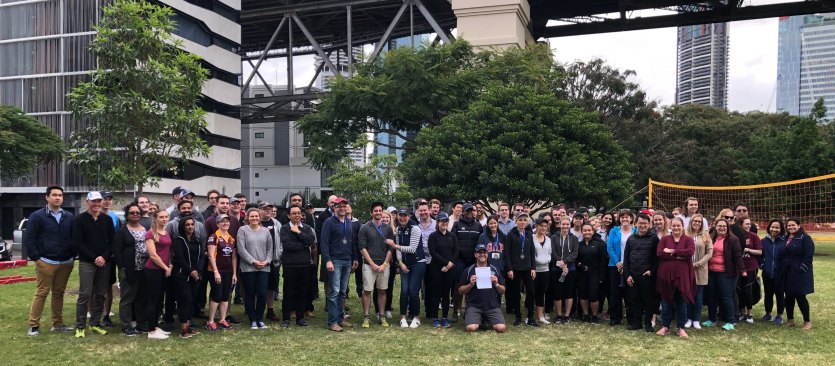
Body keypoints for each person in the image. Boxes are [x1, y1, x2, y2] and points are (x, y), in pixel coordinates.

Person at [25, 185, 76, 337]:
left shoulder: (69, 216)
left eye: (60, 195)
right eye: (54, 195)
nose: (57, 197)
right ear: (47, 197)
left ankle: (58, 324)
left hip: (66, 262)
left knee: (58, 294)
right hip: (45, 261)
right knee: (42, 293)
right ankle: (33, 325)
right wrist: (36, 259)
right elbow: (30, 239)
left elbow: (73, 237)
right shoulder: (37, 216)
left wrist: (73, 255)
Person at [72, 191, 115, 338]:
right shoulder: (80, 220)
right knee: (84, 294)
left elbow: (112, 242)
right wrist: (94, 257)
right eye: (93, 202)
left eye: (99, 202)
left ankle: (95, 324)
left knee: (100, 294)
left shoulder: (107, 220)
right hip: (87, 262)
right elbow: (78, 243)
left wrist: (103, 257)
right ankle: (80, 326)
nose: (96, 204)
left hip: (104, 262)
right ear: (87, 202)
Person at [654, 218, 695, 339]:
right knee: (666, 301)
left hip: (682, 276)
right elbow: (660, 253)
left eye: (678, 226)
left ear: (683, 227)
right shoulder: (665, 239)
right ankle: (665, 326)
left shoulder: (688, 239)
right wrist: (679, 256)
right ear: (671, 227)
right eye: (674, 226)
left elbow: (690, 252)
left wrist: (672, 251)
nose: (676, 228)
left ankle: (681, 327)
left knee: (681, 302)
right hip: (665, 275)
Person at [320, 197, 357, 332]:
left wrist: (354, 258)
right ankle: (332, 322)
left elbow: (352, 241)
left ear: (347, 207)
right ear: (334, 207)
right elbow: (323, 243)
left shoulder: (349, 222)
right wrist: (327, 260)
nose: (342, 208)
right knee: (334, 291)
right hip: (334, 260)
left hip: (347, 260)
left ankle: (341, 318)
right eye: (339, 206)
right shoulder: (328, 222)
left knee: (342, 292)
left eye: (344, 206)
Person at [358, 202, 395, 328]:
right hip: (369, 265)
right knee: (367, 290)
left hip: (384, 265)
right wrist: (372, 264)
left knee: (382, 291)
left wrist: (385, 264)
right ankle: (366, 317)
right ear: (371, 212)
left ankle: (382, 315)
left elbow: (391, 248)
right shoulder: (365, 227)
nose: (378, 212)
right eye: (375, 211)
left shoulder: (388, 228)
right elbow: (362, 248)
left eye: (380, 210)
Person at [704, 218, 746, 331]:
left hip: (726, 273)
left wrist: (742, 270)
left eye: (724, 226)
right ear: (715, 227)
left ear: (727, 228)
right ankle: (712, 320)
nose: (722, 228)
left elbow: (738, 256)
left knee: (726, 297)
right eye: (719, 226)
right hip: (711, 272)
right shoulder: (710, 238)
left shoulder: (733, 239)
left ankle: (730, 321)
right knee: (711, 297)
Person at [279, 204, 316, 328]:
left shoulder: (306, 228)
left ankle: (300, 318)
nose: (297, 215)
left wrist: (298, 232)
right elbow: (287, 245)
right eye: (294, 213)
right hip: (290, 265)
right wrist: (303, 245)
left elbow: (310, 241)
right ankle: (286, 318)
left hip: (305, 265)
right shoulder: (284, 229)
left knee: (302, 292)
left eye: (299, 213)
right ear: (289, 215)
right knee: (288, 292)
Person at [237, 208, 274, 330]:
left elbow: (270, 248)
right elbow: (241, 249)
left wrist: (267, 261)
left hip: (264, 267)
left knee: (262, 293)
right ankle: (252, 319)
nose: (254, 218)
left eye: (256, 216)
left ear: (259, 217)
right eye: (252, 216)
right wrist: (253, 261)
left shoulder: (265, 231)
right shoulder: (242, 230)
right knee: (250, 294)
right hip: (248, 268)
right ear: (247, 217)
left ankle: (260, 318)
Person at [112, 203, 146, 336]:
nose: (135, 214)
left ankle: (140, 322)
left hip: (144, 269)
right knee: (127, 298)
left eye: (137, 212)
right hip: (129, 269)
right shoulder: (122, 231)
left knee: (141, 297)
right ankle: (126, 325)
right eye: (132, 212)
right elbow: (117, 251)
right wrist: (123, 268)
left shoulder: (145, 229)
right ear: (127, 215)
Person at [458, 243, 507, 333]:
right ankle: (477, 318)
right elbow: (460, 291)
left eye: (484, 252)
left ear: (487, 254)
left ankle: (485, 319)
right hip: (474, 306)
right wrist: (470, 284)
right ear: (475, 255)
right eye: (479, 252)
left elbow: (502, 290)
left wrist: (496, 284)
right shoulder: (468, 270)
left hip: (492, 306)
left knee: (501, 328)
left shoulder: (495, 269)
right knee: (471, 328)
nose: (482, 254)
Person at [623, 213, 659, 332]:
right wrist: (627, 275)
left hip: (647, 276)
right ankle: (636, 323)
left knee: (648, 301)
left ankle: (648, 324)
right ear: (636, 224)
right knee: (634, 300)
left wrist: (652, 272)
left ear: (649, 224)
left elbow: (657, 258)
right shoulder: (631, 238)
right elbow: (626, 258)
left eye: (645, 223)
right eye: (640, 223)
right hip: (633, 275)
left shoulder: (654, 238)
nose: (642, 225)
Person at [390, 208, 424, 328]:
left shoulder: (415, 228)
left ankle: (416, 317)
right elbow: (399, 250)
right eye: (400, 215)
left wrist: (395, 246)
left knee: (413, 291)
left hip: (418, 262)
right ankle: (402, 317)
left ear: (409, 217)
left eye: (405, 216)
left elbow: (412, 248)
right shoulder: (398, 228)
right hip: (405, 263)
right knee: (404, 291)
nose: (402, 218)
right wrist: (400, 262)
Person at [172, 217, 204, 338]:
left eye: (192, 224)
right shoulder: (178, 240)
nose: (190, 227)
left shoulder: (197, 240)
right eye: (187, 225)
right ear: (183, 226)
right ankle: (183, 329)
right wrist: (190, 271)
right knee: (185, 299)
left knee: (192, 299)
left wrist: (197, 270)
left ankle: (188, 324)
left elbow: (201, 256)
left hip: (196, 275)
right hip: (182, 275)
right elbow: (179, 258)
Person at [143, 209, 173, 340]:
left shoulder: (166, 232)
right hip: (153, 270)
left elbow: (168, 251)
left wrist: (170, 266)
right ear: (155, 218)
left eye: (166, 217)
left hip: (164, 269)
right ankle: (150, 329)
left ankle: (155, 326)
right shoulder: (150, 233)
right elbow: (153, 255)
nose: (164, 219)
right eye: (161, 217)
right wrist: (166, 267)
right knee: (152, 300)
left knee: (160, 300)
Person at [504, 213, 537, 326]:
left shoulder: (528, 234)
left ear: (527, 222)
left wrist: (533, 267)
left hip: (527, 268)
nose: (522, 222)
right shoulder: (511, 234)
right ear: (516, 221)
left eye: (524, 220)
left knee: (531, 291)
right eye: (520, 220)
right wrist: (509, 269)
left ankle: (530, 317)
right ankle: (518, 316)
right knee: (516, 293)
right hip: (515, 268)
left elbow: (532, 252)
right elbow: (507, 253)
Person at [451, 202, 482, 323]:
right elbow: (453, 242)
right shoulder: (457, 224)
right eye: (467, 211)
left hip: (473, 261)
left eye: (471, 211)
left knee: (472, 286)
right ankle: (455, 311)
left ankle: (469, 310)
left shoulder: (478, 225)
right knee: (458, 286)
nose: (469, 213)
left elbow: (480, 244)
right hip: (460, 261)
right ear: (463, 212)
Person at [780, 218, 814, 330]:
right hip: (787, 272)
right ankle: (790, 320)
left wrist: (802, 269)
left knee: (800, 296)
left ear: (799, 225)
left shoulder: (805, 238)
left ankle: (807, 322)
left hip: (799, 272)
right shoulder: (784, 238)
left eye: (793, 225)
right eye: (789, 225)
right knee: (788, 297)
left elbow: (808, 256)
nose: (791, 227)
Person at [205, 214, 237, 332]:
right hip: (216, 271)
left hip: (228, 271)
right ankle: (210, 321)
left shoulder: (231, 238)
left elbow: (234, 257)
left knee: (225, 296)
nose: (225, 224)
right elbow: (211, 256)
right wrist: (216, 272)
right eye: (222, 222)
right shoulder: (213, 237)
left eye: (227, 222)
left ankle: (222, 319)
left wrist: (234, 273)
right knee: (216, 295)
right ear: (217, 224)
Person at [427, 212, 458, 328]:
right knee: (435, 293)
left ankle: (445, 318)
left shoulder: (452, 236)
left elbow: (456, 251)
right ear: (438, 223)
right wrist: (445, 263)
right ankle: (435, 317)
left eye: (446, 221)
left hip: (449, 269)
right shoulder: (433, 236)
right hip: (436, 268)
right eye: (442, 221)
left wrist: (450, 264)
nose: (444, 223)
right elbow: (433, 252)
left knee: (446, 294)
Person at [606, 210, 636, 326]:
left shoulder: (636, 231)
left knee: (630, 293)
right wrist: (618, 262)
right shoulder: (614, 230)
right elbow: (610, 248)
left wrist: (626, 263)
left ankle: (631, 319)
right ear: (619, 219)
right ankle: (615, 318)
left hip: (631, 266)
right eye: (622, 217)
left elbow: (637, 249)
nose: (624, 219)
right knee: (615, 293)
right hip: (614, 266)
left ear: (631, 219)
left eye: (627, 217)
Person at [685, 213, 713, 330]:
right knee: (687, 295)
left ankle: (696, 319)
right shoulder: (685, 234)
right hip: (686, 270)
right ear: (691, 222)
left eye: (699, 221)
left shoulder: (706, 236)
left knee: (698, 296)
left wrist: (698, 263)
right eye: (695, 221)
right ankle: (688, 318)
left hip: (700, 270)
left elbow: (709, 253)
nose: (697, 223)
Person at [257, 202, 284, 322]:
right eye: (264, 209)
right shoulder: (255, 222)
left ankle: (270, 309)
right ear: (259, 210)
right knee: (257, 287)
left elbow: (281, 240)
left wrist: (279, 253)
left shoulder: (276, 223)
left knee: (271, 287)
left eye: (269, 209)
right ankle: (255, 310)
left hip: (273, 260)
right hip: (258, 261)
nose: (267, 211)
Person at [550, 217, 578, 324]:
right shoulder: (553, 237)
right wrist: (560, 263)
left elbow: (575, 253)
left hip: (570, 269)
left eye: (567, 224)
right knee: (557, 292)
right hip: (556, 269)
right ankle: (559, 315)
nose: (565, 226)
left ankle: (567, 315)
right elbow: (552, 251)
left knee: (569, 292)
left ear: (570, 225)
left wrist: (565, 262)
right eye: (563, 224)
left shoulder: (574, 238)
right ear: (560, 225)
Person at [576, 223, 606, 323]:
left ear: (593, 232)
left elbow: (603, 261)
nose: (587, 232)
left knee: (593, 296)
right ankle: (585, 315)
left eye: (589, 230)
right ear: (582, 232)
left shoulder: (599, 244)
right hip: (582, 274)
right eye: (585, 230)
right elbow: (575, 259)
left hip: (595, 274)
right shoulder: (578, 245)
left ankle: (594, 315)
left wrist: (602, 276)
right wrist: (580, 265)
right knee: (583, 295)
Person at [760, 219, 786, 325]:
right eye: (772, 227)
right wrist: (762, 264)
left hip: (780, 274)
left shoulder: (785, 241)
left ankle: (779, 316)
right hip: (767, 273)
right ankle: (768, 314)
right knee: (768, 294)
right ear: (769, 227)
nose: (774, 229)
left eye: (777, 227)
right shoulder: (763, 241)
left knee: (779, 295)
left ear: (781, 229)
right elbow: (760, 256)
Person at [737, 216, 762, 323]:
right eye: (746, 223)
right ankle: (742, 312)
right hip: (738, 267)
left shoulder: (754, 236)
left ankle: (749, 314)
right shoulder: (736, 236)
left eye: (749, 224)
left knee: (748, 290)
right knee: (738, 290)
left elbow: (760, 252)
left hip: (751, 267)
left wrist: (748, 250)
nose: (749, 225)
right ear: (740, 225)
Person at [478, 216, 506, 306]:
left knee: (498, 288)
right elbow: (480, 251)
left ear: (497, 223)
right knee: (487, 290)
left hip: (499, 267)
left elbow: (506, 252)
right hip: (487, 266)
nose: (493, 225)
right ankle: (486, 307)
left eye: (495, 223)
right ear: (487, 224)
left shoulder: (503, 236)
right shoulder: (483, 236)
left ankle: (497, 307)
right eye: (491, 223)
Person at [373, 210, 396, 319]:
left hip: (391, 263)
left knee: (389, 287)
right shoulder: (376, 230)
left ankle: (387, 308)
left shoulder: (394, 231)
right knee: (377, 287)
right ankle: (378, 311)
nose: (385, 219)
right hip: (378, 262)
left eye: (388, 217)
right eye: (383, 217)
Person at [532, 218, 552, 325]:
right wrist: (538, 261)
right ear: (536, 226)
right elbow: (531, 255)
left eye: (545, 226)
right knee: (531, 292)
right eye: (541, 226)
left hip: (545, 270)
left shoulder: (548, 239)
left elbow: (549, 253)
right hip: (534, 270)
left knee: (541, 293)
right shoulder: (531, 238)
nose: (543, 228)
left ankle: (540, 316)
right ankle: (529, 315)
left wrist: (547, 260)